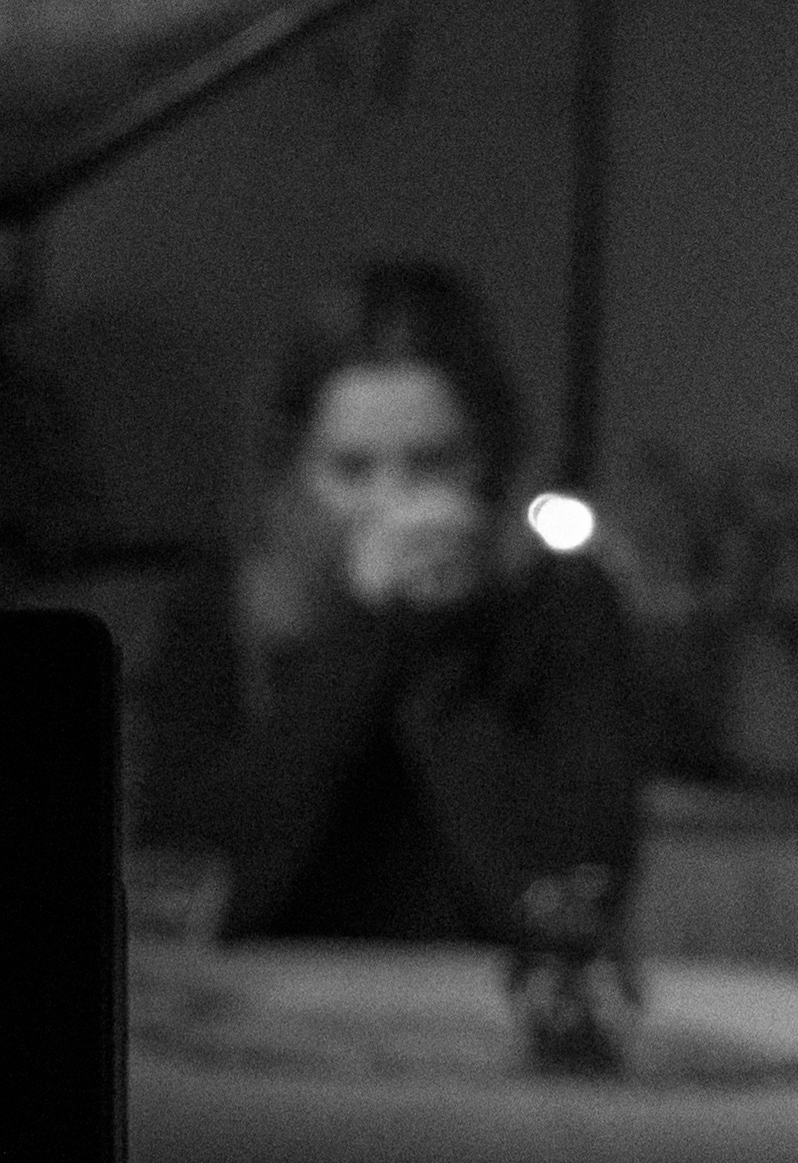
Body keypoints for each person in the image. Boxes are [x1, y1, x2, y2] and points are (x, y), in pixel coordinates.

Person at [132, 261, 646, 946]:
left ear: (487, 462)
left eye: (431, 464)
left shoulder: (564, 606)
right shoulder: (222, 610)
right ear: (296, 473)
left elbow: (568, 898)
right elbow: (196, 889)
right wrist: (369, 639)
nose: (393, 503)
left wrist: (432, 659)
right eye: (352, 469)